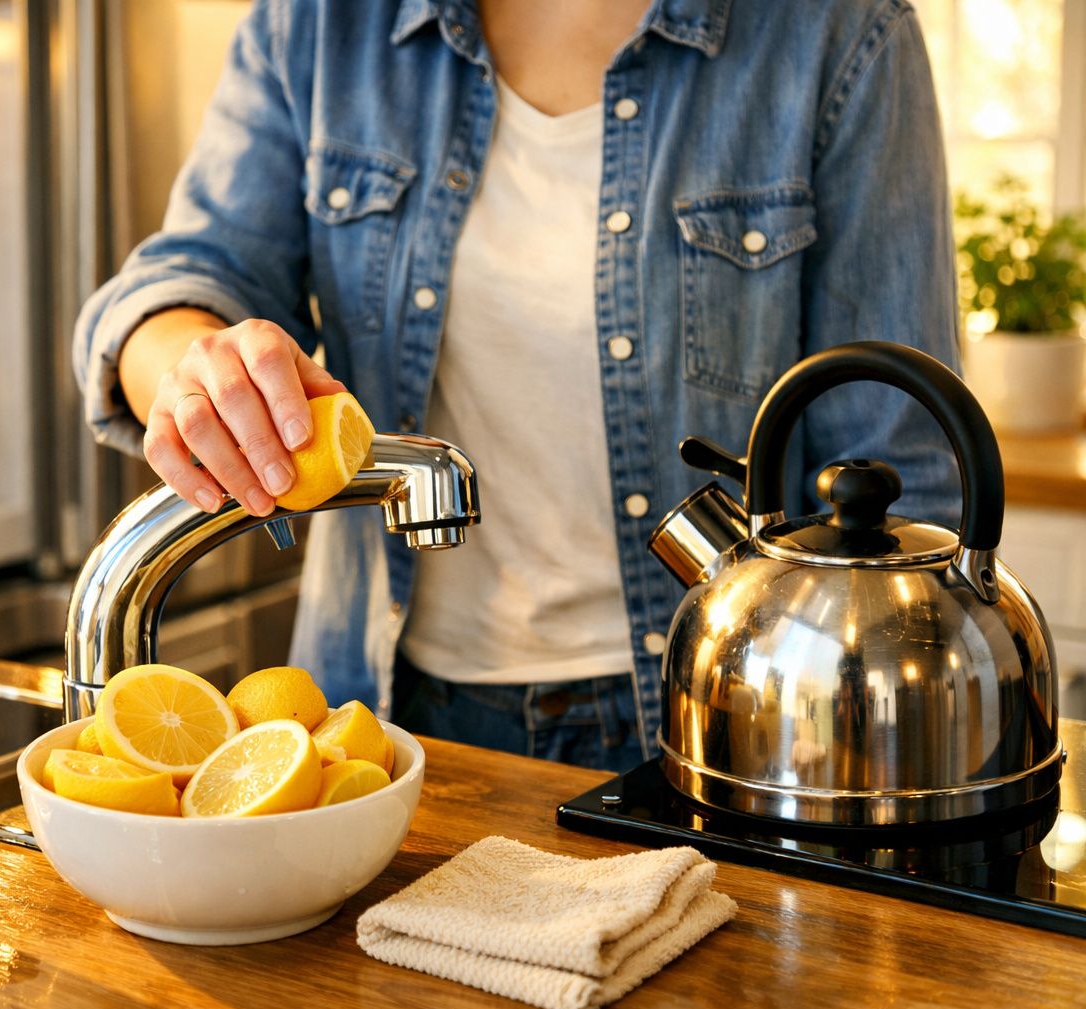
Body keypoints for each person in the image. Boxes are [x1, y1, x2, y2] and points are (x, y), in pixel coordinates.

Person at [74, 0, 961, 772]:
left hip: (729, 717)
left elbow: (901, 467)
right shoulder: (317, 23)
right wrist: (195, 367)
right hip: (382, 714)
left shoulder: (840, 32)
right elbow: (188, 278)